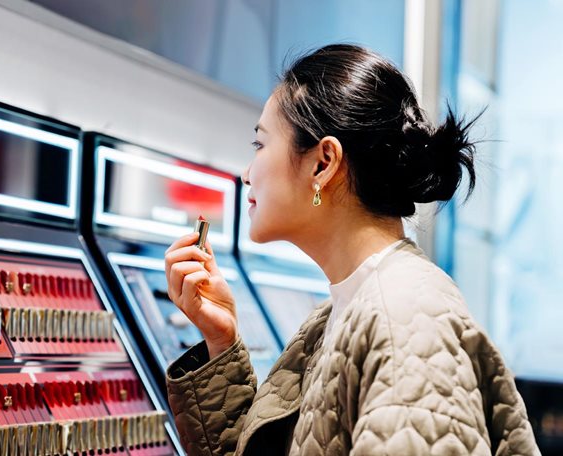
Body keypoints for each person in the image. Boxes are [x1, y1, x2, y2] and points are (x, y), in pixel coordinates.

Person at [163, 44, 540, 455]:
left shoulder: (402, 322)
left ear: (323, 163)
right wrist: (222, 341)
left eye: (260, 145)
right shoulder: (351, 306)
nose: (247, 174)